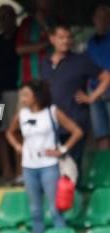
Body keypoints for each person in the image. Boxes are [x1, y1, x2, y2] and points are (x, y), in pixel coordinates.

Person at [6, 80, 83, 233]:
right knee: (35, 210)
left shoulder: (52, 111)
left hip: (49, 165)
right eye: (22, 95)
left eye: (26, 95)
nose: (23, 98)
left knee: (56, 208)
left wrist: (62, 150)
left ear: (37, 96)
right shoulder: (22, 114)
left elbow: (77, 131)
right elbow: (10, 132)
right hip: (28, 167)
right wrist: (18, 146)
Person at [40, 23, 110, 167]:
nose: (66, 41)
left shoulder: (81, 60)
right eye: (61, 37)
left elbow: (106, 77)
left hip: (75, 122)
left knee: (72, 168)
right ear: (52, 39)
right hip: (51, 124)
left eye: (69, 37)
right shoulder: (45, 63)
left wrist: (92, 97)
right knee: (53, 167)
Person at [0, 4, 22, 182]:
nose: (4, 20)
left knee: (16, 130)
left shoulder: (20, 36)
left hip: (15, 89)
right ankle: (7, 172)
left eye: (8, 16)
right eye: (1, 17)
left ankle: (19, 172)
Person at [14, 0, 55, 88]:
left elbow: (58, 42)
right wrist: (47, 43)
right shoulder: (26, 23)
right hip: (29, 78)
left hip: (52, 77)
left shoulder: (55, 22)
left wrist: (44, 25)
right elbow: (19, 49)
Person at [89, 5, 110, 151]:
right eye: (99, 17)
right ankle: (105, 169)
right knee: (101, 132)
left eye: (105, 17)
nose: (102, 21)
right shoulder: (91, 42)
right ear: (93, 20)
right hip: (94, 91)